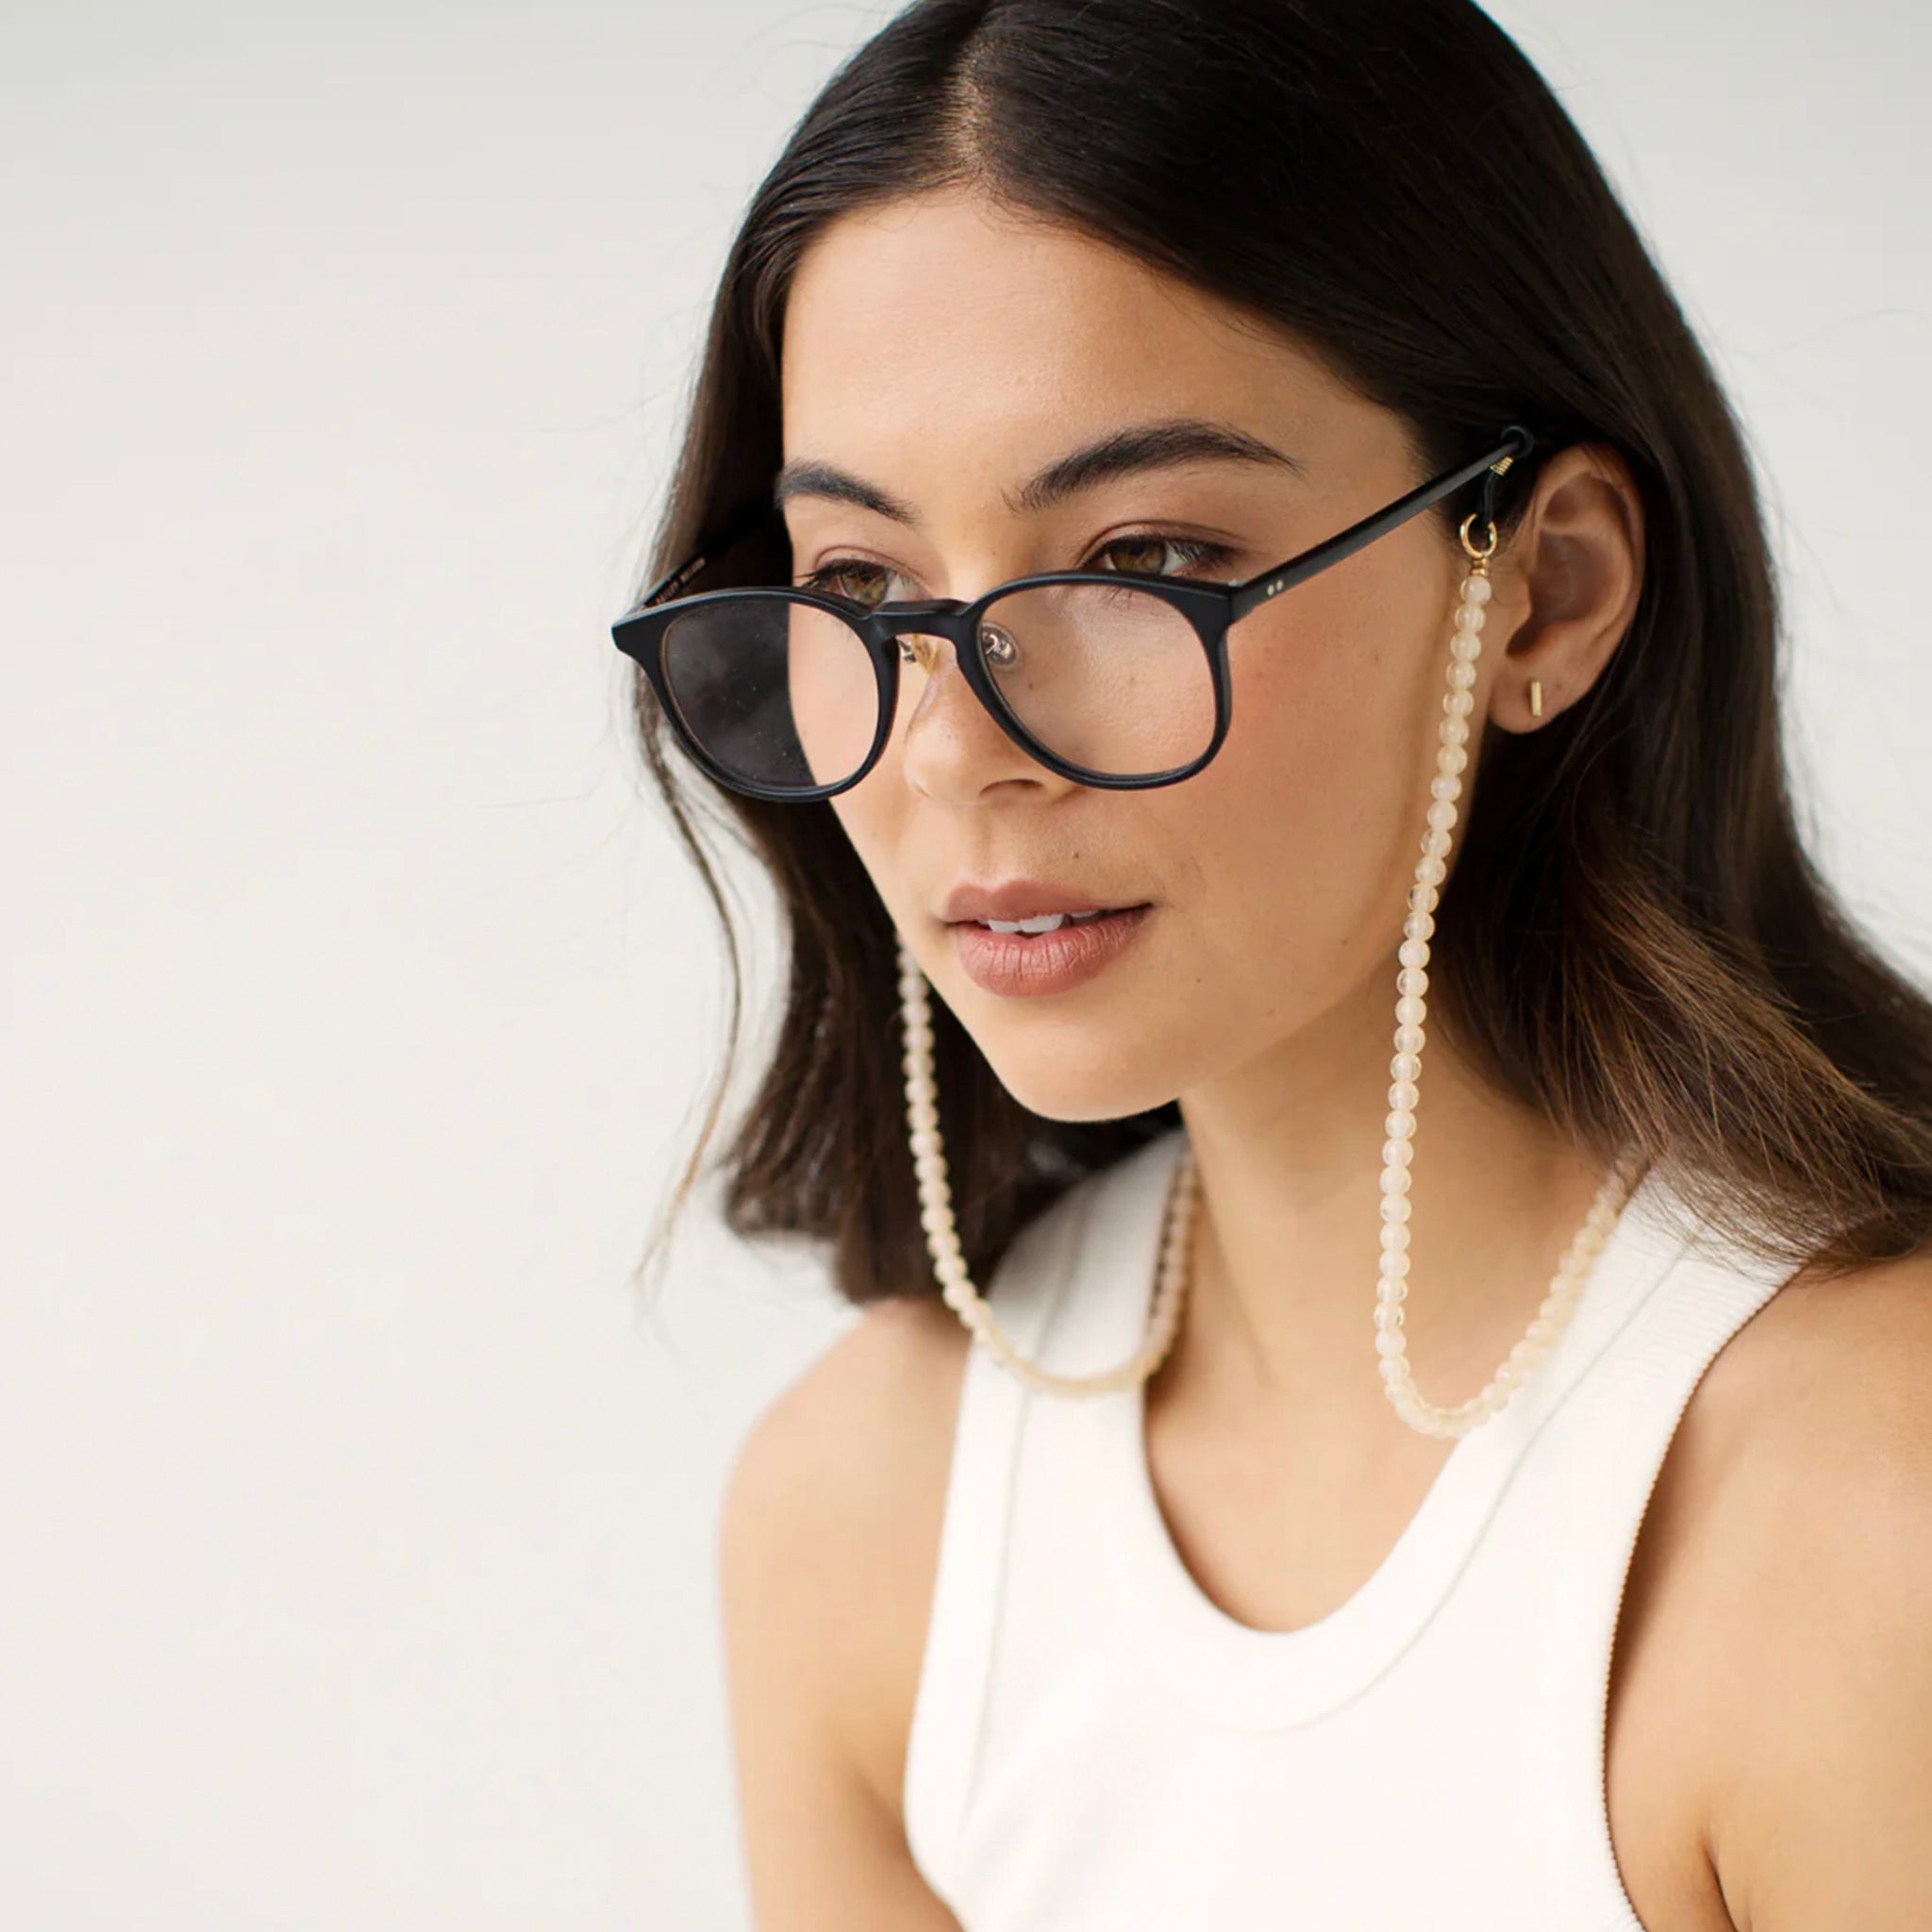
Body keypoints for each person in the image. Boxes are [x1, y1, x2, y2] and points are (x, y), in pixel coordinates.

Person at [610, 1, 1932, 1924]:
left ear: (1540, 586)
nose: (954, 743)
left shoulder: (1855, 1509)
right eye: (862, 590)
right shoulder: (866, 1517)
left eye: (1142, 561)